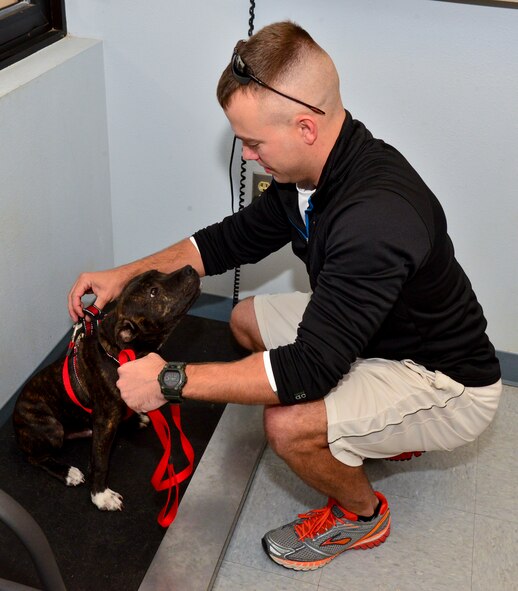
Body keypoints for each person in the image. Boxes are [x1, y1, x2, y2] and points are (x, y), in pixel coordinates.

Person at [68, 21, 502, 571]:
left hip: (445, 378)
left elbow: (304, 371)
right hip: (377, 332)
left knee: (286, 426)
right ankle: (364, 431)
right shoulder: (313, 175)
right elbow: (223, 243)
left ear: (305, 128)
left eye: (253, 142)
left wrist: (168, 380)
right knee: (247, 319)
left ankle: (362, 517)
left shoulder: (375, 218)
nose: (248, 157)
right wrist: (120, 275)